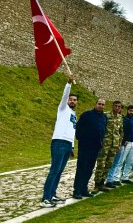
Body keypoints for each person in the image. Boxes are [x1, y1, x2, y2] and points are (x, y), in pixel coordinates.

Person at [41, 75, 77, 208]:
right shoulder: (62, 108)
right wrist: (68, 84)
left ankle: (52, 194)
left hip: (67, 144)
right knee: (54, 170)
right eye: (71, 99)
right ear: (67, 100)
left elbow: (72, 130)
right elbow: (64, 96)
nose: (72, 101)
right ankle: (45, 198)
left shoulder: (73, 114)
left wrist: (72, 146)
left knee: (60, 171)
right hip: (58, 143)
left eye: (75, 100)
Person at [72, 99, 107, 199]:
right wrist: (82, 138)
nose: (101, 106)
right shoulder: (87, 114)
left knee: (89, 168)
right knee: (82, 168)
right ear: (95, 104)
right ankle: (77, 190)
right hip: (85, 145)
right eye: (99, 104)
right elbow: (78, 128)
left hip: (95, 146)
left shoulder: (104, 117)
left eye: (103, 105)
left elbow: (103, 130)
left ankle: (84, 188)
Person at [94, 101, 124, 192]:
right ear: (112, 106)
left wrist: (119, 143)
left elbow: (121, 132)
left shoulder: (120, 118)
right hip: (105, 144)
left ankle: (102, 182)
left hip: (114, 145)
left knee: (108, 164)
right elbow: (101, 128)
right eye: (116, 106)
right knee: (101, 164)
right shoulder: (106, 115)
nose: (117, 108)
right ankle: (97, 184)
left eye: (119, 106)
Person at [107, 104, 133, 186]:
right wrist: (124, 141)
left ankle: (125, 177)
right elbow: (122, 131)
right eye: (130, 111)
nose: (131, 112)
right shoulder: (124, 119)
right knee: (120, 161)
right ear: (127, 111)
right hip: (125, 142)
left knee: (130, 161)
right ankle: (116, 178)